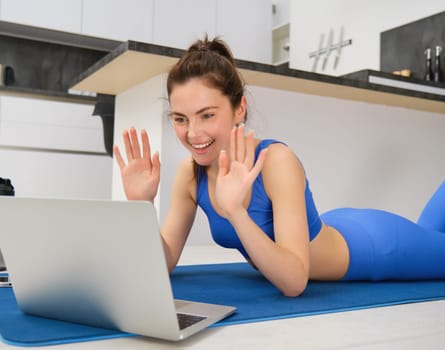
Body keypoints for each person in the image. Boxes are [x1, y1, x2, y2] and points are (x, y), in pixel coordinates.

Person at [113, 36, 445, 297]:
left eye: (207, 115)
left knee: (436, 244)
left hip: (373, 248)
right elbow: (164, 263)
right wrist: (141, 205)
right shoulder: (192, 174)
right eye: (181, 119)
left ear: (239, 108)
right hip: (333, 225)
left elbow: (294, 282)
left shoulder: (276, 162)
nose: (193, 133)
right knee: (433, 232)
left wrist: (237, 213)